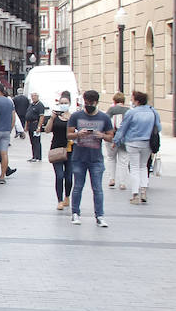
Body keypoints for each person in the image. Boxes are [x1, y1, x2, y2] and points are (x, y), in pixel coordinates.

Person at [68, 90, 114, 227]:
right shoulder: (76, 116)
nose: (88, 105)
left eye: (91, 103)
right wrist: (78, 134)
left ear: (96, 103)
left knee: (97, 188)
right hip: (79, 157)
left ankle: (99, 215)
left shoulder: (104, 118)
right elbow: (69, 135)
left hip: (96, 159)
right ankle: (75, 213)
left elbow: (111, 136)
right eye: (86, 103)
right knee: (77, 186)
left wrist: (102, 136)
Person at [113, 90, 161, 204]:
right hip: (147, 143)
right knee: (143, 167)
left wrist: (116, 141)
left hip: (132, 143)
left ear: (137, 101)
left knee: (134, 168)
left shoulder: (131, 112)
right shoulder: (152, 111)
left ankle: (135, 194)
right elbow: (158, 128)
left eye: (132, 99)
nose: (131, 101)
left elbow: (123, 128)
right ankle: (143, 190)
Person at [42, 98, 73, 210]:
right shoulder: (55, 118)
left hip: (70, 150)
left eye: (66, 103)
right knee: (59, 175)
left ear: (69, 104)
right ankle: (59, 200)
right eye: (62, 103)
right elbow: (47, 130)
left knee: (68, 176)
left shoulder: (73, 117)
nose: (64, 105)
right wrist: (52, 118)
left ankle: (67, 196)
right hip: (57, 148)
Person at [104, 92, 130, 190]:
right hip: (124, 138)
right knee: (123, 160)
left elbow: (105, 122)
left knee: (111, 158)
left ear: (114, 101)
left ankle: (112, 179)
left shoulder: (111, 110)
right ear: (123, 101)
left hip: (111, 137)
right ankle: (122, 182)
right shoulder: (128, 111)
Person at [25, 92, 47, 162]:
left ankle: (38, 157)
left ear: (37, 97)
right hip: (30, 124)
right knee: (32, 141)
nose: (33, 98)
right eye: (32, 96)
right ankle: (34, 156)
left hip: (35, 124)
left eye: (34, 96)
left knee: (36, 141)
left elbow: (41, 116)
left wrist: (39, 127)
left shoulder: (40, 105)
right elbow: (27, 115)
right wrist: (26, 126)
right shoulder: (31, 105)